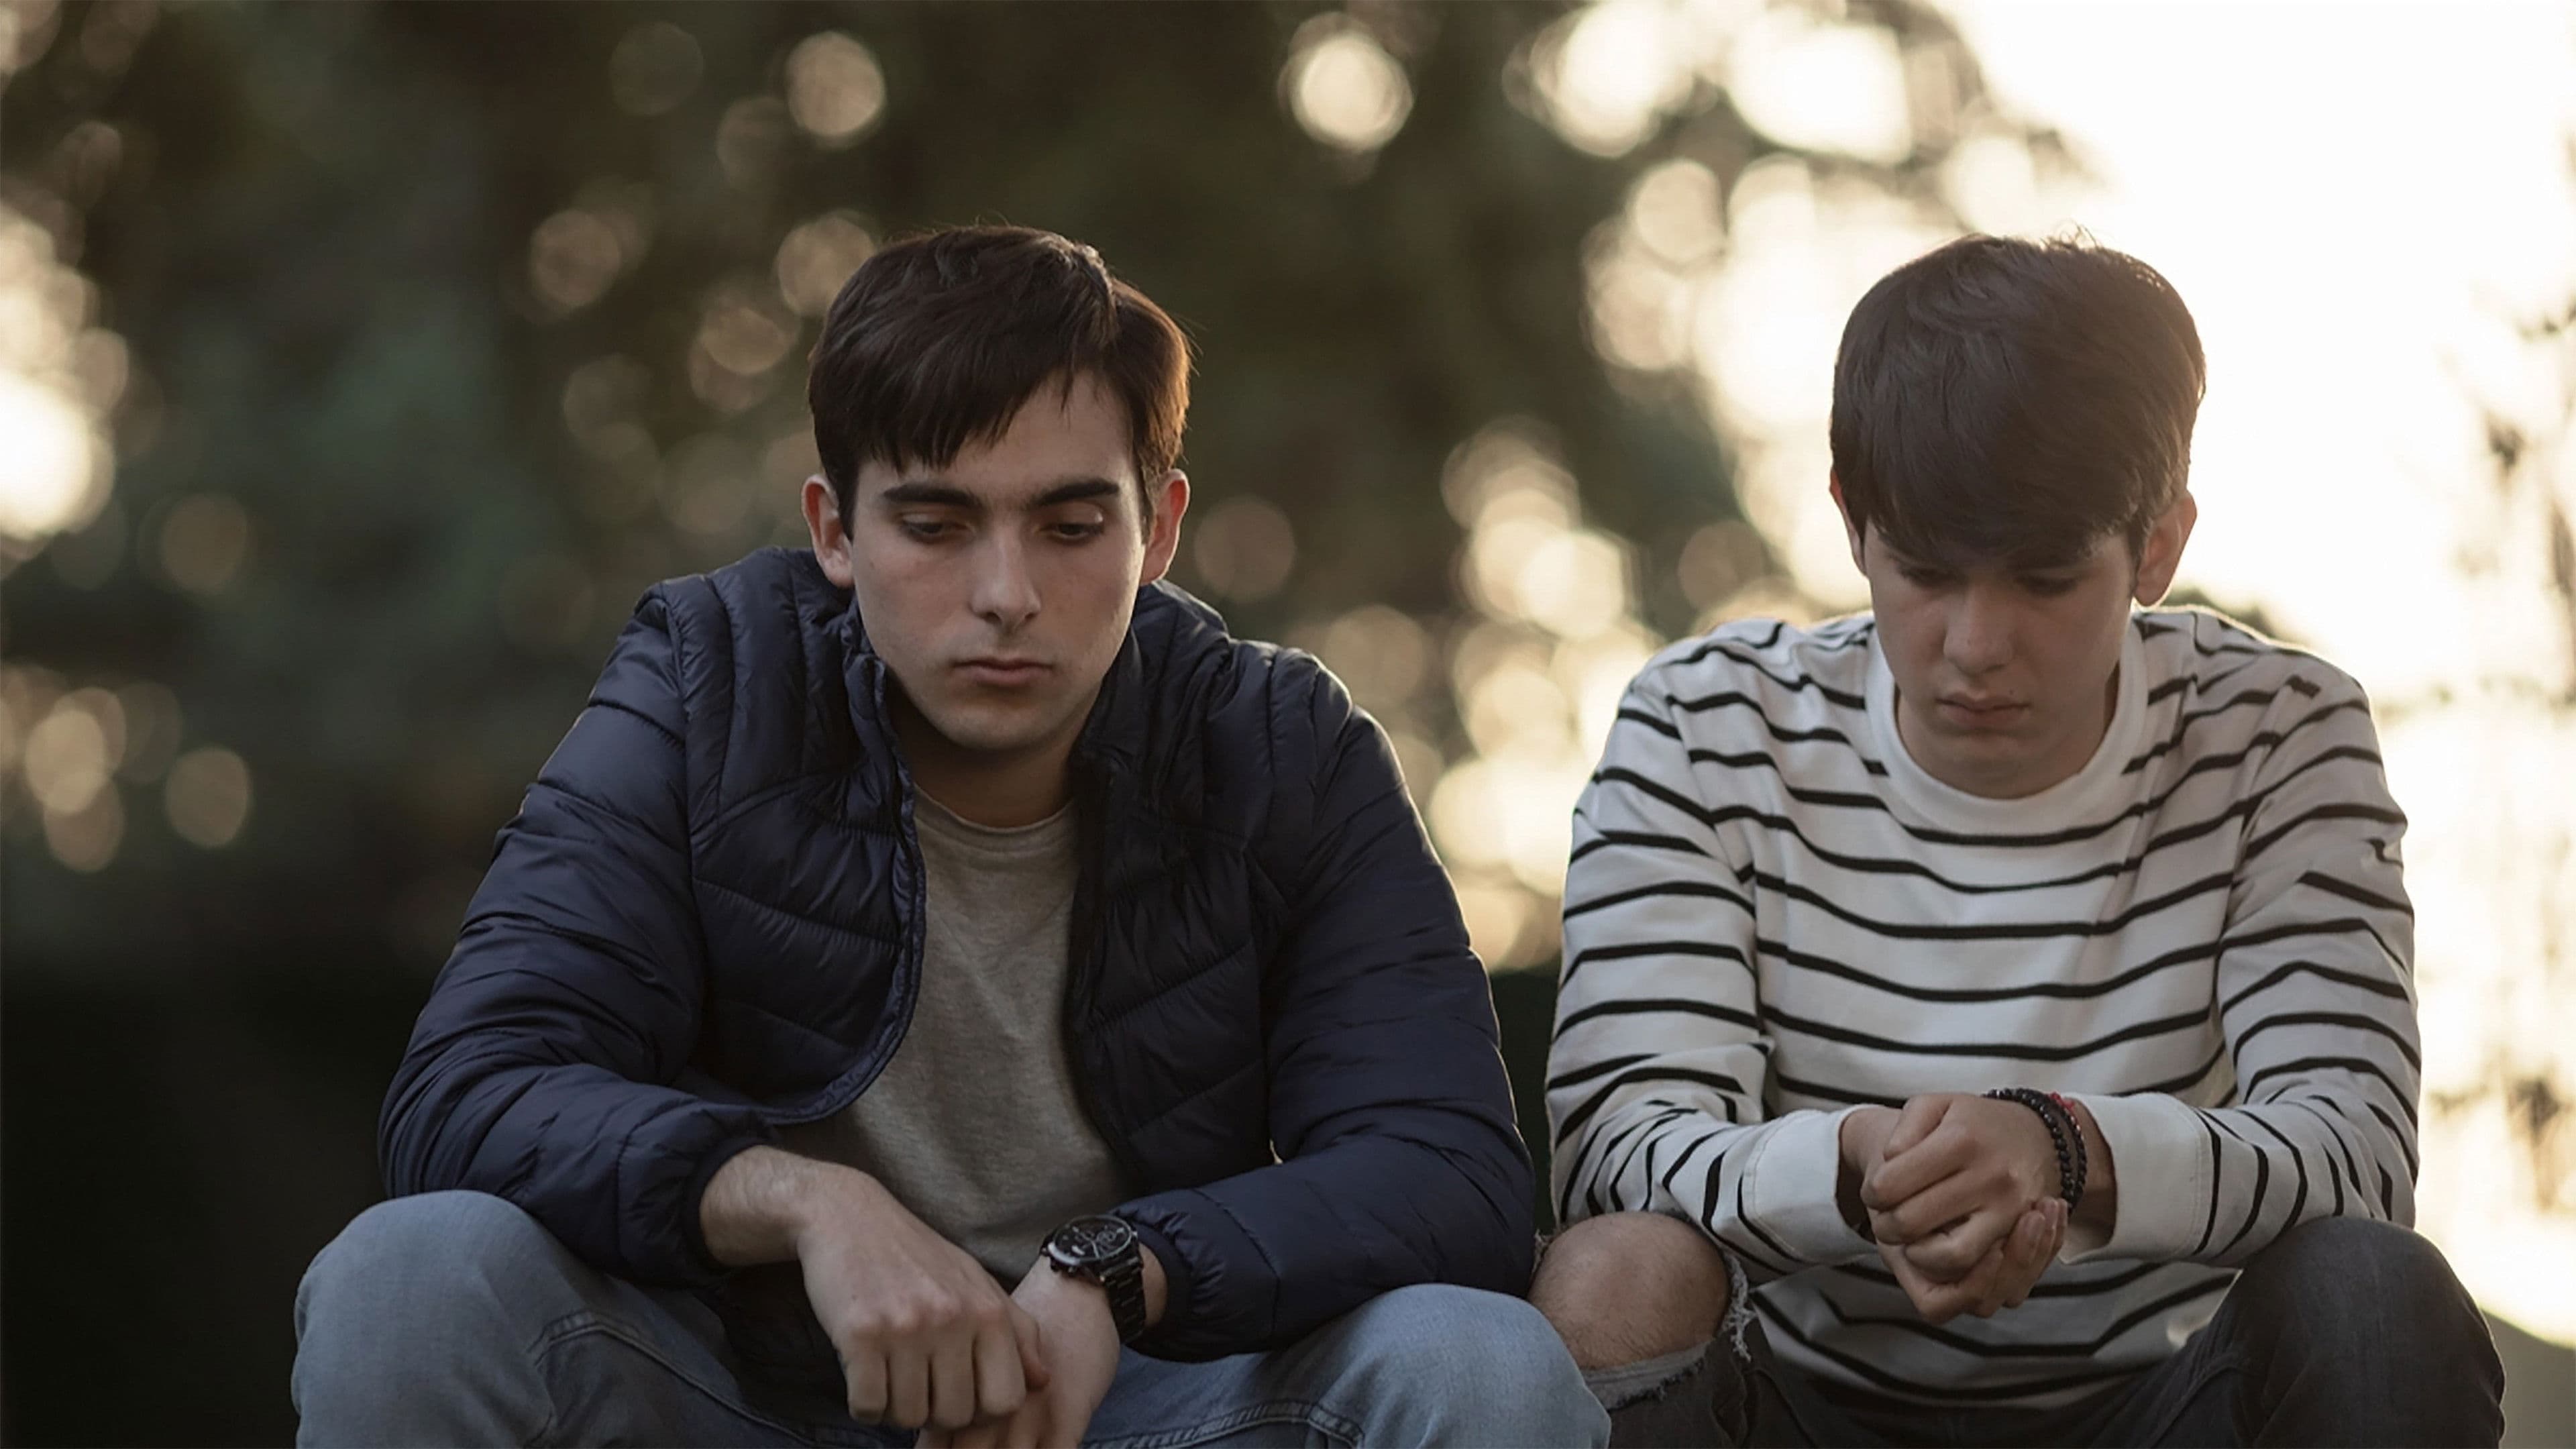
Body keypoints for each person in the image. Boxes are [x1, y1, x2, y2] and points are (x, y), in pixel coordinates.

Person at [293, 225, 1607, 1449]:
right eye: (933, 524)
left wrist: (1121, 1272)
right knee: (410, 1273)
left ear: (1163, 531)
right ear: (833, 532)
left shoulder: (1284, 749)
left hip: (1139, 1402)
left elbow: (1446, 1173)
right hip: (752, 1391)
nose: (1004, 595)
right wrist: (808, 1205)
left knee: (1474, 1358)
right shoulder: (708, 685)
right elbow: (472, 1091)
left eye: (1072, 524)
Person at [1531, 234, 2504, 1446]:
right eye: (1927, 573)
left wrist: (2063, 1150)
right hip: (1783, 1408)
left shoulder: (2280, 733)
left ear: (2157, 545)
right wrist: (1861, 1168)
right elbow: (1617, 1156)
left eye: (2045, 581)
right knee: (1615, 1271)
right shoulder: (1703, 726)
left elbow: (2356, 1156)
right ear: (1851, 521)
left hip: (2156, 1410)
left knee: (2373, 1291)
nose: (1976, 644)